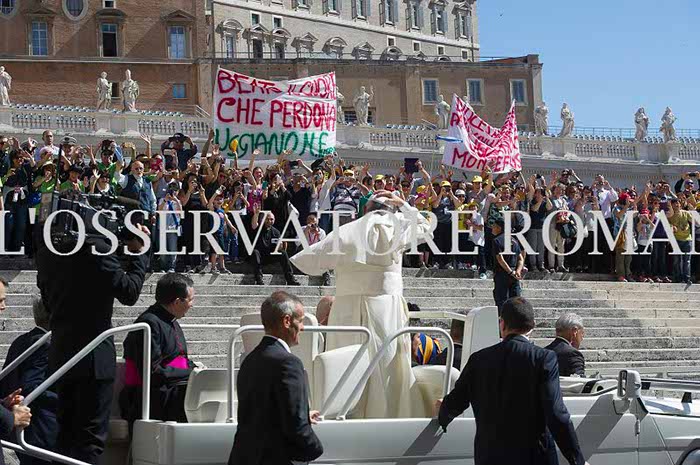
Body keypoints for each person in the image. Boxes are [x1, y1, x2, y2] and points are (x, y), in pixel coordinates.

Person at [291, 192, 432, 418]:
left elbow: (308, 261)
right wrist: (404, 204)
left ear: (365, 210)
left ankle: (340, 413)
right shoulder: (398, 227)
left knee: (344, 367)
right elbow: (426, 226)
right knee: (387, 364)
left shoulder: (346, 231)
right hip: (387, 311)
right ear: (392, 211)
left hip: (347, 309)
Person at [34, 222, 149, 464]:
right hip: (94, 358)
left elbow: (47, 302)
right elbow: (129, 292)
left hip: (61, 354)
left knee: (64, 436)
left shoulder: (47, 253)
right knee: (90, 439)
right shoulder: (97, 250)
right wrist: (140, 253)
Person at [437, 297, 588, 465]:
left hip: (490, 457)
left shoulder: (478, 359)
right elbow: (556, 413)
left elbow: (456, 401)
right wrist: (576, 459)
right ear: (532, 326)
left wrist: (443, 415)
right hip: (533, 457)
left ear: (502, 324)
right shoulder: (543, 358)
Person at [228, 291, 323, 465]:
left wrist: (303, 414)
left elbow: (261, 410)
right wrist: (315, 449)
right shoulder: (289, 363)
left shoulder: (250, 360)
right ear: (287, 321)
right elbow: (295, 426)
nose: (302, 328)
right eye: (300, 321)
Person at [121, 273, 196, 428]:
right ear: (177, 302)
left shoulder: (171, 320)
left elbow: (180, 358)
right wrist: (191, 373)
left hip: (172, 389)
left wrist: (195, 369)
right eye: (190, 300)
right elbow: (153, 372)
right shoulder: (148, 324)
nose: (192, 305)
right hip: (150, 399)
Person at [0, 295, 56, 465]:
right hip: (39, 427)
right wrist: (65, 399)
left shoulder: (21, 340)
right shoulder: (45, 344)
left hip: (23, 428)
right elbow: (31, 385)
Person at [250, 204, 299, 286]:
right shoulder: (259, 228)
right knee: (255, 252)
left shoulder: (276, 232)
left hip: (270, 255)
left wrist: (280, 247)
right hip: (259, 255)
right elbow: (254, 224)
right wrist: (256, 214)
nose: (269, 221)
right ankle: (259, 279)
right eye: (267, 219)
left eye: (271, 219)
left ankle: (290, 279)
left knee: (283, 253)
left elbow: (280, 246)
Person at [491, 218, 523, 314]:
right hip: (514, 274)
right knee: (516, 301)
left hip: (502, 273)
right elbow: (521, 258)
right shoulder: (514, 240)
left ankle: (503, 320)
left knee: (502, 300)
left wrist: (510, 272)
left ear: (499, 228)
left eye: (494, 226)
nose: (492, 228)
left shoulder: (497, 240)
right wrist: (517, 271)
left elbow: (500, 259)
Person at [545, 313, 586, 378]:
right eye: (582, 333)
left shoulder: (544, 351)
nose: (582, 337)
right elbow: (578, 381)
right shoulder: (573, 354)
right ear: (574, 331)